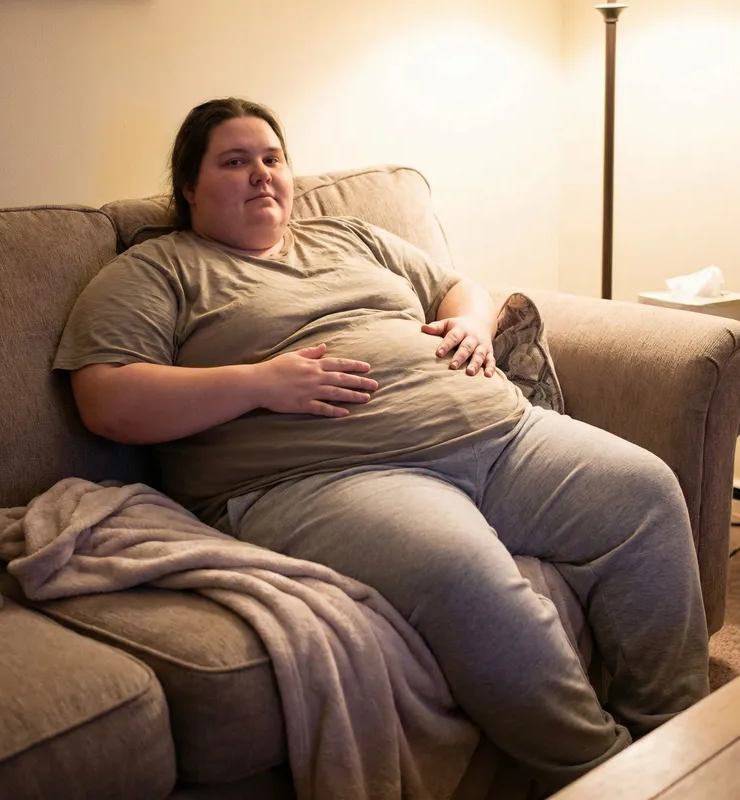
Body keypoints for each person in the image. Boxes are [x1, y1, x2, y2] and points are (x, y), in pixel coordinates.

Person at [54, 97, 710, 793]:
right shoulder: (160, 270)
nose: (261, 175)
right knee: (464, 573)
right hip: (330, 477)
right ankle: (606, 776)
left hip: (500, 434)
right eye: (235, 161)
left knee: (645, 490)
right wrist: (257, 384)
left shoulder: (347, 237)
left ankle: (682, 749)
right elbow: (106, 399)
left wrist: (472, 327)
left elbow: (458, 287)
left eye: (272, 159)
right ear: (188, 187)